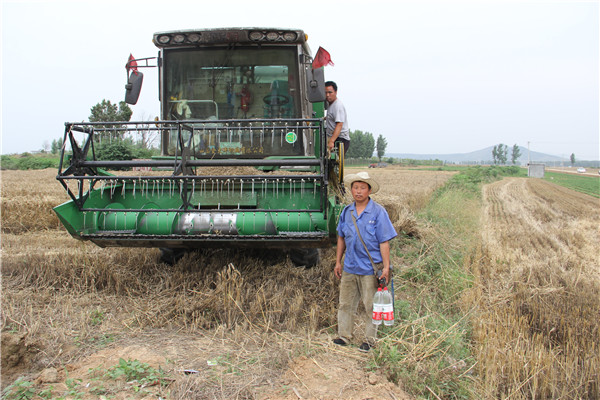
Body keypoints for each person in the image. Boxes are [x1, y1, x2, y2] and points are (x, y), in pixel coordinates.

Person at [333, 171, 397, 352]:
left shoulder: (378, 212)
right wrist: (338, 262)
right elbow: (341, 238)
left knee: (370, 306)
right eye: (355, 188)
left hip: (370, 269)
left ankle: (370, 340)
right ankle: (344, 336)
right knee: (345, 304)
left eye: (362, 188)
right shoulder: (347, 212)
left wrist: (385, 267)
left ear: (369, 191)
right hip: (350, 267)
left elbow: (384, 242)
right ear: (351, 190)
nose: (358, 191)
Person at [325, 81, 350, 155]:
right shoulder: (331, 105)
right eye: (326, 93)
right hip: (334, 138)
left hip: (340, 139)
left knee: (334, 162)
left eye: (330, 92)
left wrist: (332, 141)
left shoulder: (337, 106)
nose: (327, 95)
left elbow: (339, 124)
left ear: (336, 92)